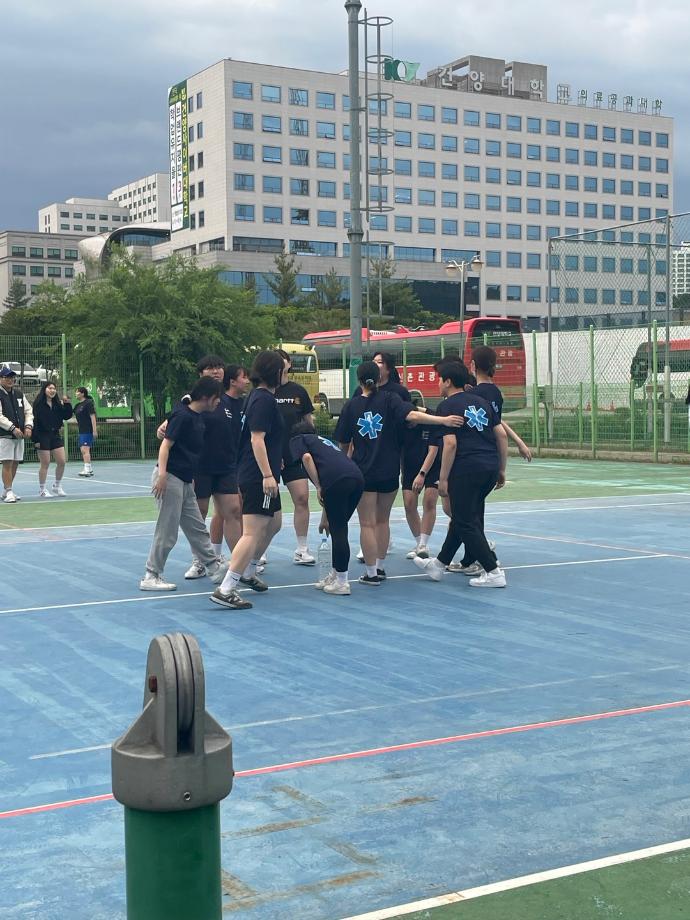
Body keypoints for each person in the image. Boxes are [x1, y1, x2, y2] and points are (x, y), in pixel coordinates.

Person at [334, 361, 463, 586]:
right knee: (382, 520)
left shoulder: (351, 406)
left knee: (367, 523)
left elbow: (344, 442)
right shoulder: (390, 399)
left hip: (363, 471)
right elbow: (413, 415)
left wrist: (344, 464)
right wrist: (442, 420)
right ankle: (380, 567)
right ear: (379, 378)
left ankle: (371, 573)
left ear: (359, 380)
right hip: (389, 471)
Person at [414, 360, 508, 588]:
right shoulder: (482, 402)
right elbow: (501, 435)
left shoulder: (447, 406)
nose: (437, 384)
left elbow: (450, 444)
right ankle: (439, 565)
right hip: (489, 466)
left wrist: (443, 478)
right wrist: (501, 469)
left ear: (447, 382)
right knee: (462, 517)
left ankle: (493, 571)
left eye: (439, 379)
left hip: (466, 468)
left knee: (465, 522)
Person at [211, 350, 285, 610]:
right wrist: (267, 474)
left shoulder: (255, 397)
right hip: (257, 476)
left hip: (257, 471)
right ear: (275, 373)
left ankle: (249, 571)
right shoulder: (263, 400)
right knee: (252, 532)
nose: (286, 373)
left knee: (274, 522)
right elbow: (257, 438)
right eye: (283, 369)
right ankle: (227, 588)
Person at [140, 376, 228, 591]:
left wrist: (190, 478)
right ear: (206, 397)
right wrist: (162, 476)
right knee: (167, 529)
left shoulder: (195, 415)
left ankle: (213, 567)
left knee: (196, 526)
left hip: (185, 480)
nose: (219, 401)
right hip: (170, 477)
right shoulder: (183, 416)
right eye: (217, 397)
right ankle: (151, 575)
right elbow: (165, 446)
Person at [184, 364, 249, 580]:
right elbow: (179, 416)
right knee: (199, 514)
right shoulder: (192, 400)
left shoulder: (229, 401)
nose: (216, 371)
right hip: (201, 467)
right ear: (201, 374)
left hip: (226, 467)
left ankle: (239, 566)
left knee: (233, 510)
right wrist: (164, 426)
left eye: (219, 368)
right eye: (210, 368)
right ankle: (200, 561)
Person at [289, 420, 364, 595]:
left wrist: (317, 485)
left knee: (339, 531)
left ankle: (342, 582)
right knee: (339, 528)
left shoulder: (299, 439)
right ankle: (336, 574)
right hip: (356, 478)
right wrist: (325, 518)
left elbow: (307, 458)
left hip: (337, 482)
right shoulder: (323, 442)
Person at [274, 349, 316, 565]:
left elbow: (309, 422)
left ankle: (301, 549)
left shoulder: (298, 391)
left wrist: (312, 446)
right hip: (270, 457)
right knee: (265, 508)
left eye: (283, 361)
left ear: (289, 364)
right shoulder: (264, 392)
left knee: (301, 498)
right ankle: (258, 553)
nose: (280, 365)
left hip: (294, 455)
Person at [401, 420, 442, 559]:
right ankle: (418, 542)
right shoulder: (400, 423)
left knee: (430, 502)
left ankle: (423, 544)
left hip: (433, 467)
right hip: (409, 467)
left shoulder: (430, 421)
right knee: (409, 505)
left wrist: (422, 474)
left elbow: (433, 450)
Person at [31, 381, 73, 497]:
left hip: (55, 435)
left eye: (54, 388)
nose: (52, 390)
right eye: (50, 388)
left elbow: (66, 416)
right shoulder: (38, 404)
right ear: (44, 389)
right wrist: (36, 440)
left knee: (62, 461)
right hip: (42, 435)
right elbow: (35, 422)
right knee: (45, 463)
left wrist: (67, 404)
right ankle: (42, 489)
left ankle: (57, 486)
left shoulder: (57, 404)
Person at [0, 366, 33, 503]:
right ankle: (9, 491)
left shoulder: (19, 394)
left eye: (12, 377)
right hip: (4, 435)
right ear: (1, 379)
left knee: (15, 463)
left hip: (19, 436)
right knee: (7, 463)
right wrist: (12, 428)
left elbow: (28, 411)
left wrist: (28, 426)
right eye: (7, 377)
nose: (11, 380)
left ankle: (7, 490)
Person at [74, 387, 97, 477]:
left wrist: (94, 430)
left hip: (88, 429)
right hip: (81, 430)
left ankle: (87, 469)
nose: (76, 394)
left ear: (82, 393)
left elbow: (92, 417)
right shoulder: (77, 405)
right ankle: (89, 468)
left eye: (77, 392)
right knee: (82, 450)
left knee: (85, 449)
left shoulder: (88, 403)